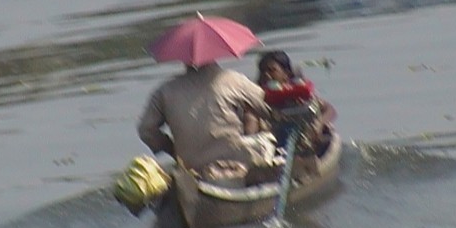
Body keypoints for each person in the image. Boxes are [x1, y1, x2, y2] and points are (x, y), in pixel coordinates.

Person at [137, 62, 277, 172]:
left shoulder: (164, 91)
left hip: (190, 168)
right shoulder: (233, 80)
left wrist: (173, 150)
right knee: (266, 141)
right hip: (235, 166)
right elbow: (270, 108)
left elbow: (146, 130)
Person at [256, 50, 337, 158]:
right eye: (263, 71)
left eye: (272, 70)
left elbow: (329, 109)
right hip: (275, 143)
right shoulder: (258, 95)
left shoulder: (298, 93)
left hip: (305, 140)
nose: (266, 75)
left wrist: (320, 123)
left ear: (286, 74)